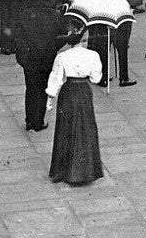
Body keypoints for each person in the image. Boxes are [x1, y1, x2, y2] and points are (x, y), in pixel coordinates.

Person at [46, 27, 104, 186]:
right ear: (83, 40)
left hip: (69, 91)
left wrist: (50, 99)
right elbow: (96, 78)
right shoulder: (93, 55)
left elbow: (56, 78)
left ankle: (63, 170)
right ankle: (85, 171)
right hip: (84, 91)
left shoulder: (62, 56)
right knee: (85, 128)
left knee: (66, 128)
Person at [16, 0, 65, 131]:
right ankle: (38, 121)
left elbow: (18, 35)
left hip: (28, 56)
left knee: (30, 87)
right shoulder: (55, 16)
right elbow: (60, 36)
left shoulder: (25, 14)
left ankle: (29, 119)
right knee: (43, 87)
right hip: (46, 57)